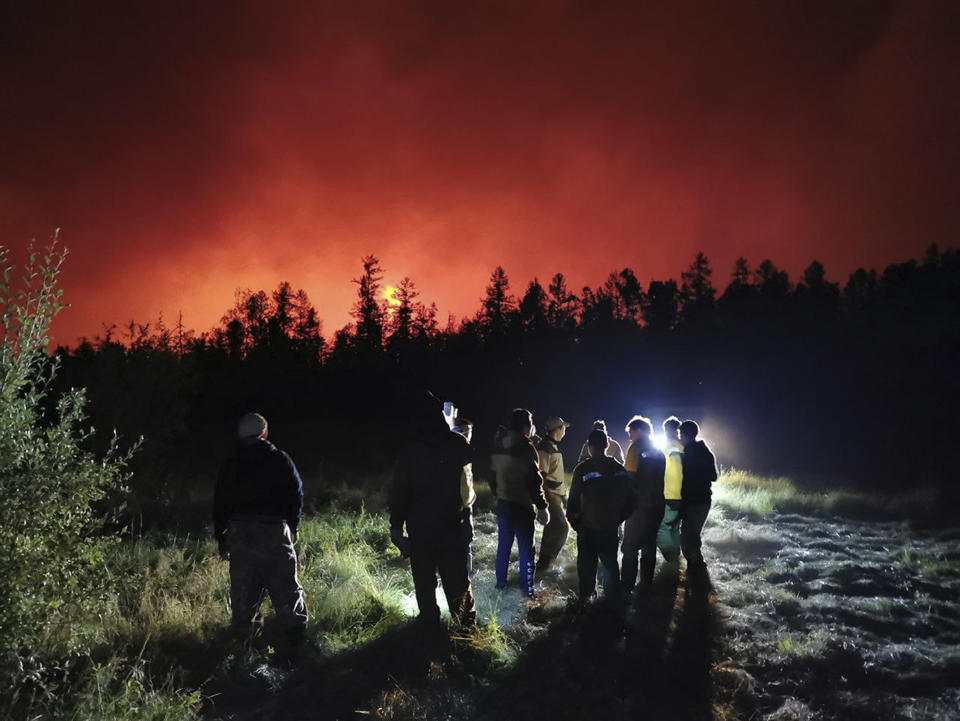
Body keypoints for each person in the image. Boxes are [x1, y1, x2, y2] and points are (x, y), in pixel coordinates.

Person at [213, 412, 308, 644]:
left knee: (244, 588)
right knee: (285, 583)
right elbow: (296, 493)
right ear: (265, 433)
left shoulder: (231, 463)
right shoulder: (281, 460)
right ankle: (296, 640)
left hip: (240, 531)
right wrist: (293, 525)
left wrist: (221, 536)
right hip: (275, 529)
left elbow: (220, 501)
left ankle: (246, 644)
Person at [389, 393, 476, 627]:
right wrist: (467, 521)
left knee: (425, 583)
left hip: (421, 528)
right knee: (457, 582)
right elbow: (467, 489)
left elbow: (400, 492)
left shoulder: (409, 451)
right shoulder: (458, 445)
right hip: (451, 526)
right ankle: (466, 630)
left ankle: (430, 627)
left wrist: (396, 526)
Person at [567, 429, 635, 608]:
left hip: (587, 529)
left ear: (589, 447)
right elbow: (631, 499)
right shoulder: (619, 469)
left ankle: (586, 603)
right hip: (610, 528)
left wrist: (576, 523)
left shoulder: (582, 469)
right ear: (607, 445)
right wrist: (619, 518)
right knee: (610, 565)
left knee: (587, 568)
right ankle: (611, 604)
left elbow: (572, 501)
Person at [490, 408, 549, 598]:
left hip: (503, 504)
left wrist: (497, 493)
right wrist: (542, 507)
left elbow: (491, 474)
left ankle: (500, 587)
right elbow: (534, 481)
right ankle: (527, 592)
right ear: (526, 427)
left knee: (503, 549)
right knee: (526, 552)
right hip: (522, 507)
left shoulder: (499, 444)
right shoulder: (526, 447)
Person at [620, 415, 666, 592]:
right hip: (657, 506)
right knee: (649, 545)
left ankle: (626, 587)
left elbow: (629, 478)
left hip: (639, 507)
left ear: (639, 431)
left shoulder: (636, 448)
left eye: (631, 432)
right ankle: (646, 585)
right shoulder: (658, 450)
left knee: (630, 547)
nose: (630, 437)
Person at [679, 420, 718, 572]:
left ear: (683, 434)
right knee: (692, 535)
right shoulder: (706, 451)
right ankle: (696, 571)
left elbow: (683, 480)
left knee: (689, 538)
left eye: (680, 434)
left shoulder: (687, 453)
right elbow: (714, 476)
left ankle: (697, 571)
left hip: (692, 501)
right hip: (704, 500)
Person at [535, 415, 572, 573]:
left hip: (557, 495)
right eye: (563, 427)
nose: (565, 431)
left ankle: (543, 565)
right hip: (550, 495)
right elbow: (541, 475)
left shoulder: (553, 446)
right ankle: (547, 564)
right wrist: (546, 499)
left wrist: (564, 497)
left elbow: (556, 476)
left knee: (551, 530)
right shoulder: (545, 448)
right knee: (563, 528)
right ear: (557, 429)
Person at [656, 416, 685, 568]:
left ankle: (671, 561)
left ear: (666, 430)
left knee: (661, 529)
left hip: (669, 495)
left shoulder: (665, 447)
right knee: (674, 528)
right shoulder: (684, 447)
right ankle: (677, 562)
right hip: (683, 497)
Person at [452, 414, 477, 576]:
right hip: (455, 506)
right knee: (457, 541)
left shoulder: (465, 450)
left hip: (466, 505)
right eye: (465, 431)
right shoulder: (454, 449)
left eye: (469, 431)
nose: (468, 434)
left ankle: (467, 573)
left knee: (467, 540)